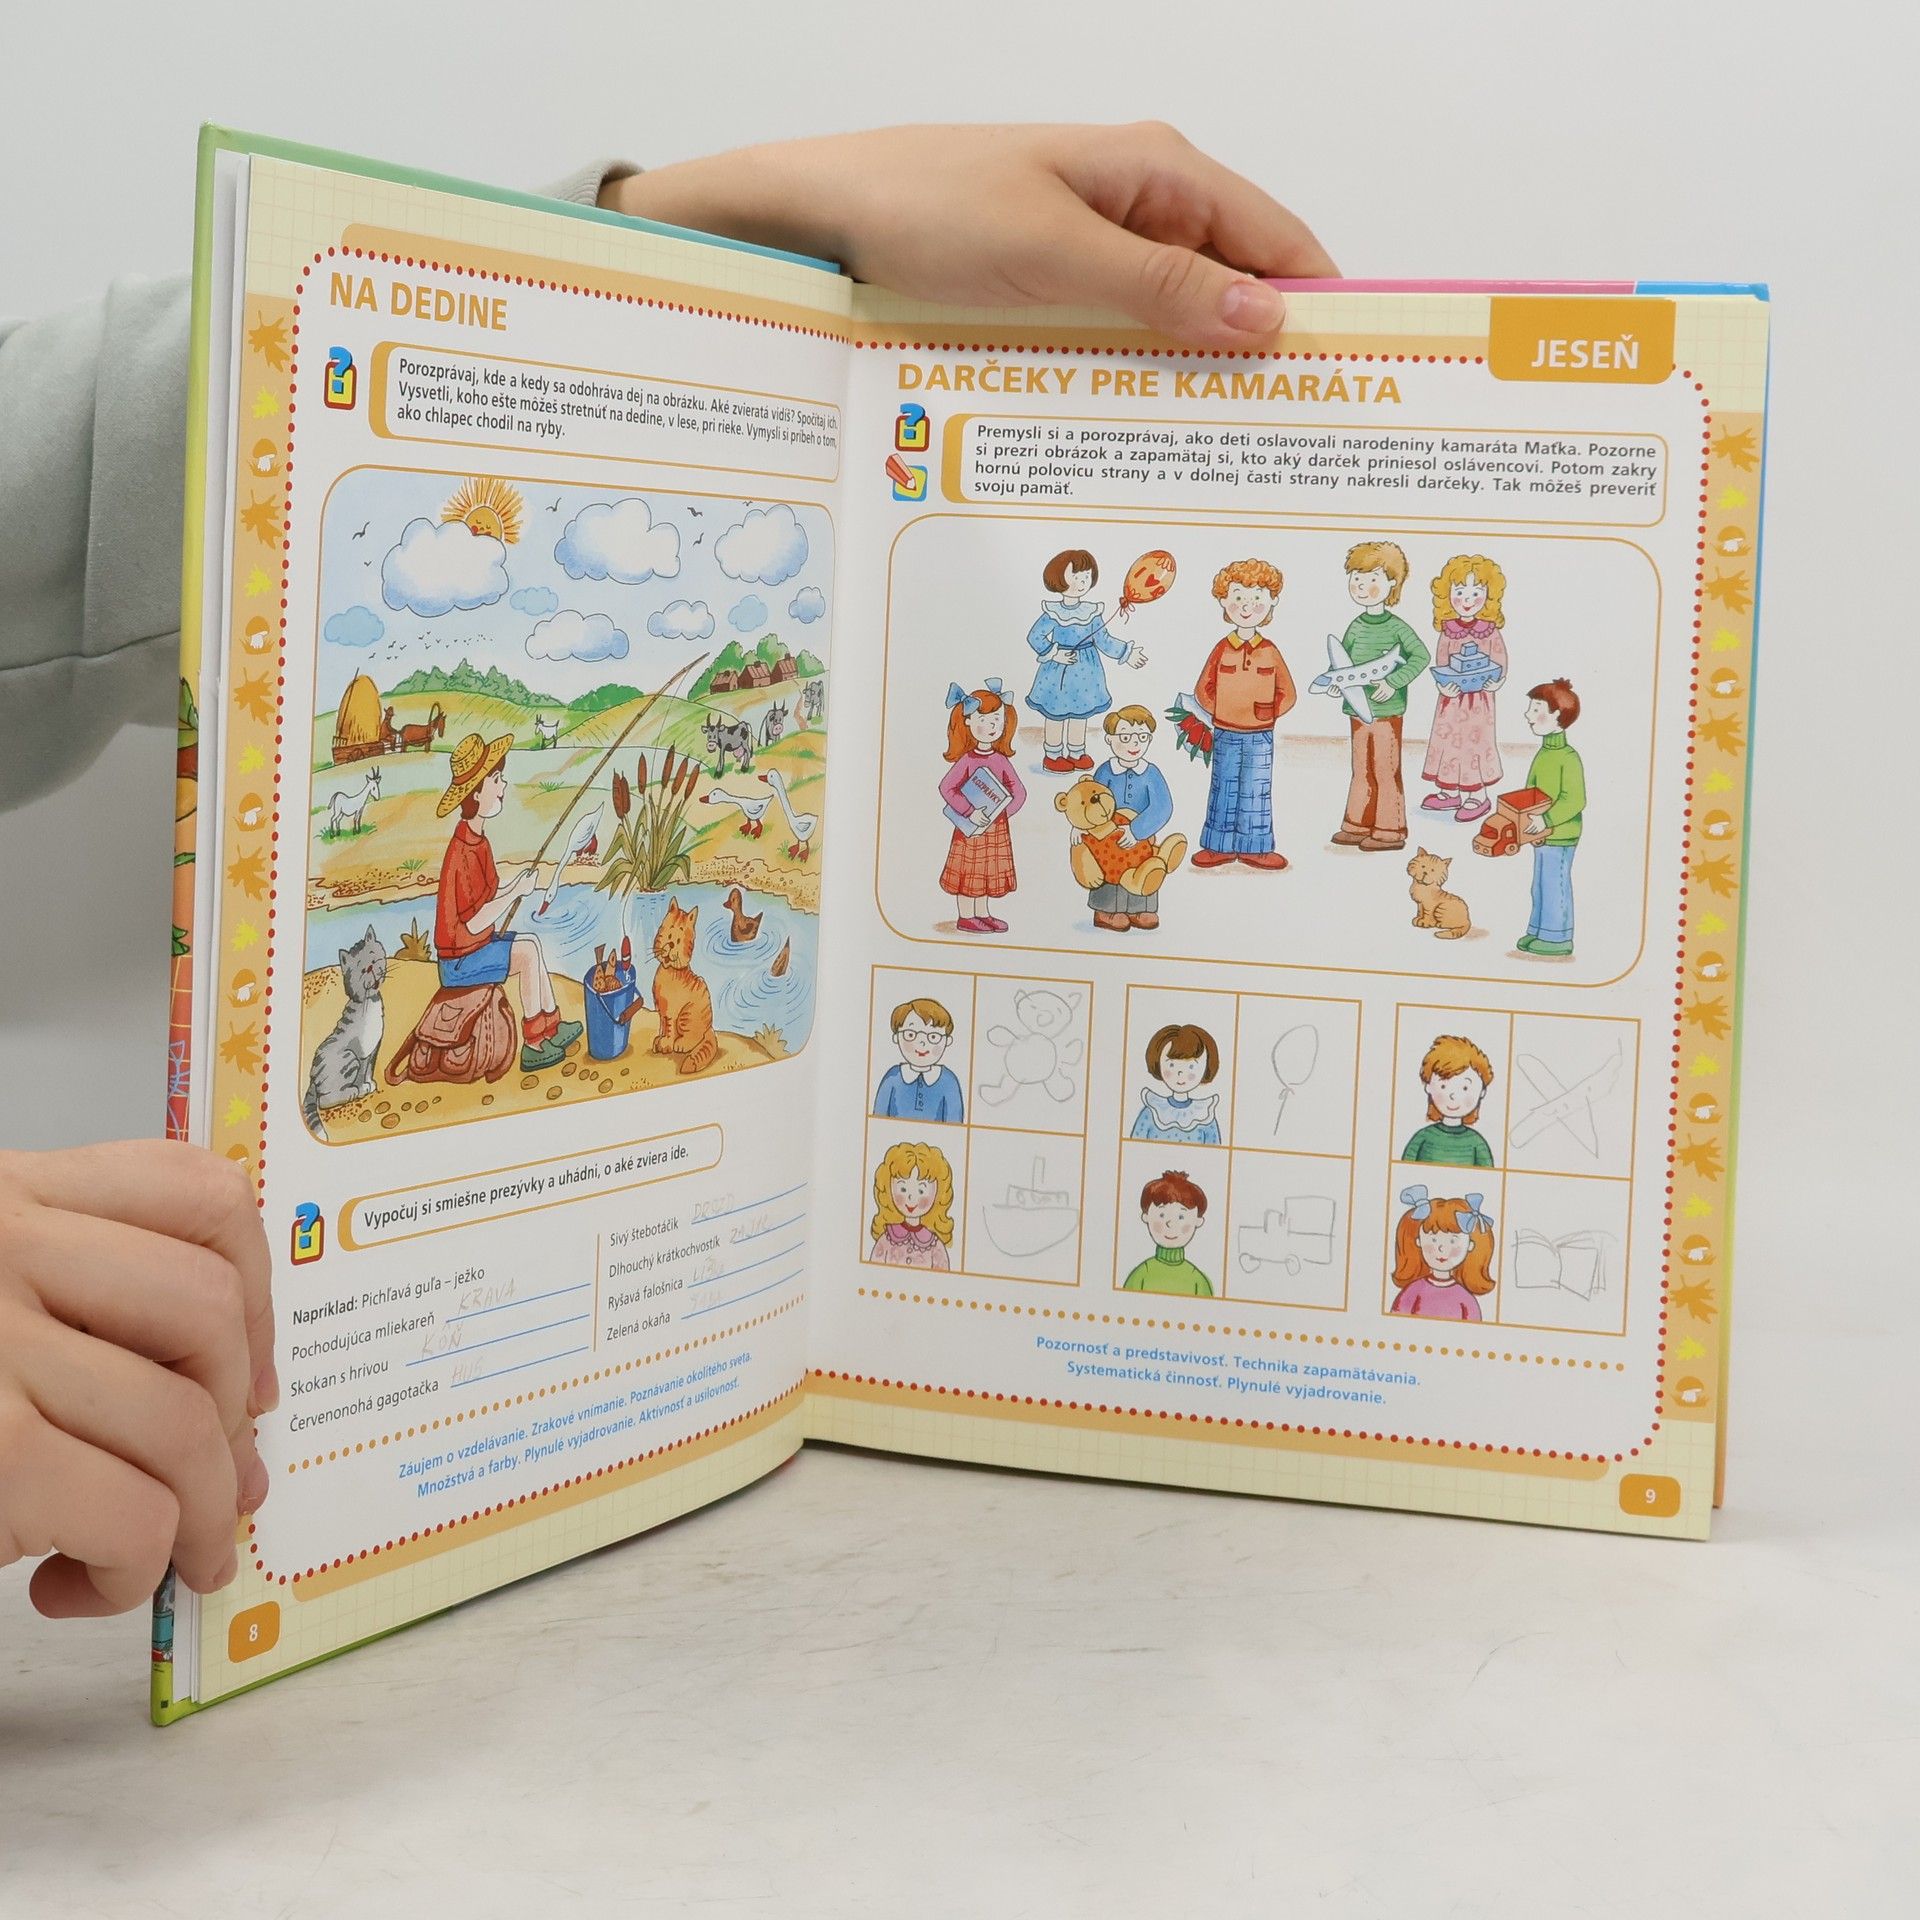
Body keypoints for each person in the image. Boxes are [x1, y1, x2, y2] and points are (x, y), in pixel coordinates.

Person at [0, 122, 1333, 1619]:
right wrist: (499, 913)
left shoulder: (488, 832)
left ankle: (540, 1030)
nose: (487, 795)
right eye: (487, 782)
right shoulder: (459, 842)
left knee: (548, 964)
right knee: (523, 975)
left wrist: (700, 227)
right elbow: (453, 908)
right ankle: (524, 1037)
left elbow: (52, 490)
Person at [434, 734, 581, 1072]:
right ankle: (534, 1044)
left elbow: (489, 897)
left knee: (532, 943)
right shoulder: (462, 851)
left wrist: (517, 885)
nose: (503, 785)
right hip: (459, 963)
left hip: (476, 947)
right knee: (526, 954)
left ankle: (551, 1025)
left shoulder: (478, 842)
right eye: (496, 779)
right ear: (476, 793)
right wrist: (515, 893)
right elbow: (473, 922)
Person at [1192, 558, 1295, 870]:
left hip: (1260, 735)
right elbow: (1203, 689)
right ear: (1224, 601)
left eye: (1257, 598)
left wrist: (1267, 714)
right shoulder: (1222, 648)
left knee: (1256, 789)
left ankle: (1256, 847)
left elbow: (1288, 693)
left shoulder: (1270, 651)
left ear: (1272, 601)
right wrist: (1222, 710)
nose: (1247, 606)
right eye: (1238, 597)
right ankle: (1218, 846)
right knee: (1223, 786)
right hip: (1225, 731)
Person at [1329, 540, 1430, 853]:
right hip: (1357, 711)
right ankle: (1357, 824)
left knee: (1385, 770)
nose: (1361, 585)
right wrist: (1335, 682)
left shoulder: (1398, 627)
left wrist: (1394, 682)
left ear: (1392, 583)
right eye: (1356, 577)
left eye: (1371, 578)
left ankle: (1389, 830)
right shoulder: (1356, 627)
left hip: (1387, 713)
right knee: (1361, 769)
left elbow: (1421, 656)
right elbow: (1342, 661)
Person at [1024, 549, 1146, 772]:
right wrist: (1054, 653)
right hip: (1059, 671)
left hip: (1087, 673)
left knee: (1081, 712)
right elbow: (1035, 636)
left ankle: (1076, 751)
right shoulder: (1053, 612)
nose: (1081, 582)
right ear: (1059, 579)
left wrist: (1126, 653)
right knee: (1055, 713)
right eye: (1075, 577)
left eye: (1086, 577)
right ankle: (1053, 754)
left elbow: (1104, 640)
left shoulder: (1092, 612)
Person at [1420, 554, 1510, 824]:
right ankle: (1450, 791)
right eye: (1460, 592)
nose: (1467, 600)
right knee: (1447, 742)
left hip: (1478, 703)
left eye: (1475, 593)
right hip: (1451, 701)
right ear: (1447, 595)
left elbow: (1501, 661)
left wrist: (1497, 682)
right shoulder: (1448, 631)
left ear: (1488, 596)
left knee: (1474, 744)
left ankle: (1477, 795)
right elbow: (1441, 663)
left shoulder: (1489, 631)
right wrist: (1444, 687)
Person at [1088, 705, 1176, 929]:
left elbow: (1163, 806)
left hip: (1140, 836)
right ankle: (1106, 910)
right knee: (1107, 867)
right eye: (1125, 737)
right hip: (1108, 836)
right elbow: (1090, 800)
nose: (1134, 744)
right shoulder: (1105, 771)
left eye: (1142, 737)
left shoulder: (1151, 773)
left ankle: (1140, 908)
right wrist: (1082, 825)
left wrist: (1137, 830)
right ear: (1109, 739)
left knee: (1143, 866)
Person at [1516, 678, 1586, 958]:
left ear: (1557, 715)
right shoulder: (1544, 753)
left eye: (1536, 709)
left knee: (1554, 884)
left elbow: (1575, 800)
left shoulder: (1569, 757)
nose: (1528, 715)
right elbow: (1531, 791)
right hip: (1540, 832)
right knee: (1539, 885)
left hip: (1561, 833)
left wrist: (1546, 820)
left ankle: (1558, 938)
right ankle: (1538, 930)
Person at [1400, 1034, 1498, 1168]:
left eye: (1465, 1088)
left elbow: (1489, 1175)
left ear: (1482, 1091)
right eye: (1443, 1086)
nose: (1453, 1095)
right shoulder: (1423, 1137)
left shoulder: (1477, 1143)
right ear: (1428, 1086)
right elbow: (1404, 1169)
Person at [866, 1142, 957, 1272]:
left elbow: (944, 1277)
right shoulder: (886, 1239)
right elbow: (872, 1271)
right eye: (903, 1189)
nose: (911, 1198)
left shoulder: (935, 1246)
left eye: (921, 1191)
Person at [1121, 1170, 1214, 1297]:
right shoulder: (1140, 1275)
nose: (1170, 1223)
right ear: (1146, 1216)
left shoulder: (1199, 1281)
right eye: (1162, 1215)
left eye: (1181, 1217)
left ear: (1198, 1221)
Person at [872, 997, 965, 1123]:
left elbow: (955, 1124)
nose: (922, 1043)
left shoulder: (949, 1081)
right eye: (911, 1035)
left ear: (947, 1041)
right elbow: (878, 1118)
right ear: (896, 1037)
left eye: (933, 1036)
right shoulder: (893, 1077)